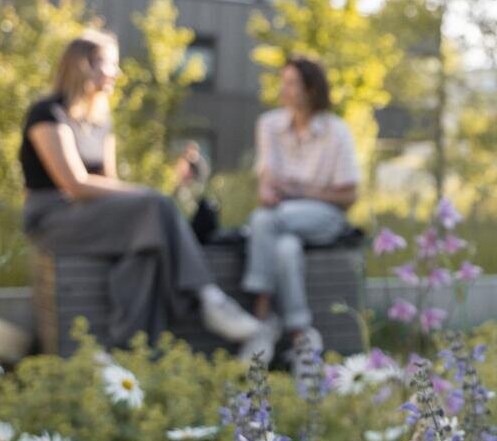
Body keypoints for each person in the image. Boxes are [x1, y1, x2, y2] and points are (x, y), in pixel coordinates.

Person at [20, 29, 262, 348]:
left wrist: (142, 196)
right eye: (110, 65)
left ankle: (130, 347)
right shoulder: (48, 113)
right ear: (84, 66)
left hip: (94, 216)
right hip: (54, 218)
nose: (117, 74)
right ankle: (208, 298)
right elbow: (75, 184)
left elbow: (110, 183)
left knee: (147, 247)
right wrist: (146, 195)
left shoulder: (101, 122)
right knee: (155, 206)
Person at [239, 56, 359, 362]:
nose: (284, 89)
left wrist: (301, 190)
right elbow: (266, 179)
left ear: (311, 89)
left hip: (325, 215)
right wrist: (267, 191)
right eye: (284, 82)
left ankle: (261, 319)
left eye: (292, 83)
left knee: (264, 220)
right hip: (283, 218)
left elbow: (349, 195)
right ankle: (300, 338)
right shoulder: (268, 125)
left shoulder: (337, 131)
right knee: (285, 249)